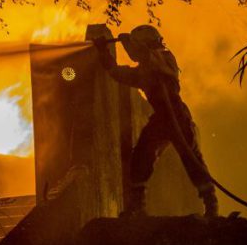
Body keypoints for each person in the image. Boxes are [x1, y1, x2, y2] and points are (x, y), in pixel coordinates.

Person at [94, 25, 219, 218]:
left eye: (138, 46)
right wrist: (103, 52)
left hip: (177, 115)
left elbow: (151, 59)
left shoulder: (165, 57)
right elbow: (116, 72)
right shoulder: (141, 73)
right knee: (141, 157)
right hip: (161, 118)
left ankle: (211, 204)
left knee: (191, 159)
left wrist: (130, 45)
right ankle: (137, 206)